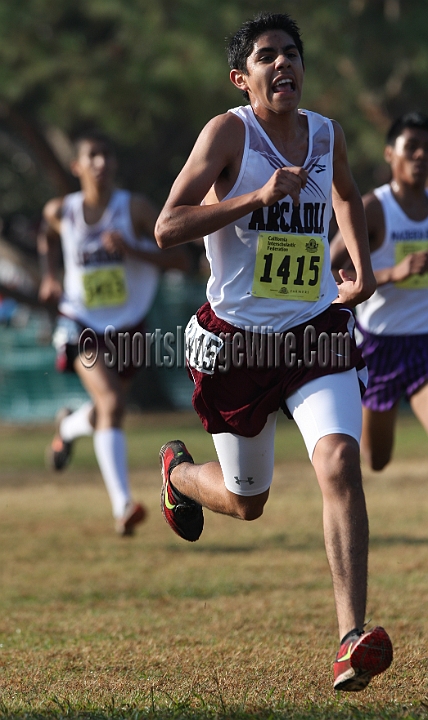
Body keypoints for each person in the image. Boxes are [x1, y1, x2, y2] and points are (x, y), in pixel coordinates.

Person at [154, 11, 392, 692]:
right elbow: (167, 225)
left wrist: (365, 270)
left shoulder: (325, 133)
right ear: (242, 77)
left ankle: (351, 638)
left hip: (314, 330)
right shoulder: (229, 133)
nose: (283, 64)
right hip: (234, 344)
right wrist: (254, 196)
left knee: (340, 460)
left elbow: (346, 193)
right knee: (245, 500)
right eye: (266, 56)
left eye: (292, 54)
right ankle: (176, 476)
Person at [38, 130, 188, 536]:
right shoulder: (61, 211)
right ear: (77, 166)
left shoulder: (134, 208)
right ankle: (123, 506)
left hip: (128, 325)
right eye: (93, 156)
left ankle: (68, 427)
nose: (101, 163)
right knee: (111, 401)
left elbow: (180, 260)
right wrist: (50, 277)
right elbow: (46, 236)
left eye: (107, 155)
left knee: (110, 406)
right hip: (79, 322)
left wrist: (132, 249)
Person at [330, 112, 428, 471]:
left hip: (424, 341)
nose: (421, 155)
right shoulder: (373, 208)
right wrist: (392, 273)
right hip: (379, 344)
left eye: (427, 149)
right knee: (376, 459)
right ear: (390, 154)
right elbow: (328, 265)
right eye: (412, 147)